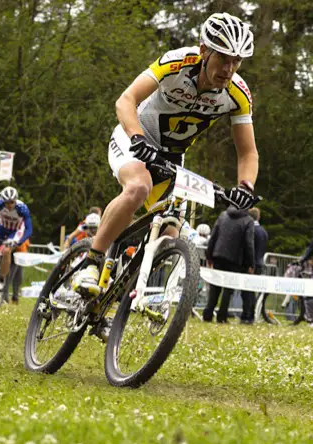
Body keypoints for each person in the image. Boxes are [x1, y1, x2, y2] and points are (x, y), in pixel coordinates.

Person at [73, 13, 260, 298]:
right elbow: (126, 100)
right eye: (223, 58)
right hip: (134, 137)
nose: (229, 68)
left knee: (169, 234)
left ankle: (117, 300)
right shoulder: (177, 62)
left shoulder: (237, 94)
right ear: (204, 51)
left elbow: (247, 152)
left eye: (236, 61)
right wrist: (136, 137)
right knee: (138, 188)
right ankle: (92, 261)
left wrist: (245, 186)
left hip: (172, 157)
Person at [202, 206, 255, 323]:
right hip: (234, 259)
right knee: (227, 290)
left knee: (214, 288)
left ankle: (208, 314)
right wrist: (250, 263)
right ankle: (221, 316)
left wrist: (209, 255)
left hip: (218, 254)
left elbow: (214, 235)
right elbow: (249, 244)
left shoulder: (223, 215)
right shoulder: (248, 221)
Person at [239, 207, 268, 323]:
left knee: (246, 292)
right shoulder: (263, 231)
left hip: (250, 264)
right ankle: (251, 314)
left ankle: (247, 316)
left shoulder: (250, 229)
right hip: (259, 263)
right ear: (258, 217)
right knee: (252, 291)